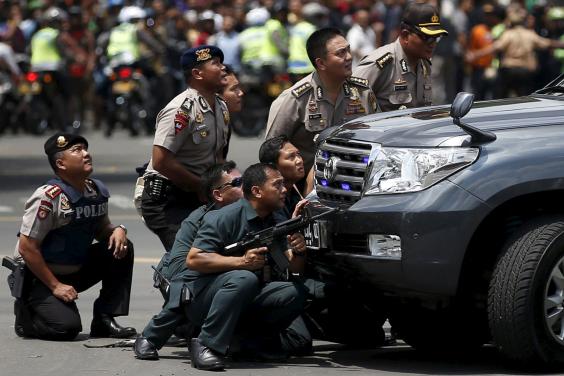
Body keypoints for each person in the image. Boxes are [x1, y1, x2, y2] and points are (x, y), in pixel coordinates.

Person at [9, 133, 136, 340]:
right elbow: (27, 247)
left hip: (76, 268)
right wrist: (56, 286)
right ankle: (27, 318)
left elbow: (102, 229)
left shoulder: (94, 191)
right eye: (77, 150)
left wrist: (118, 230)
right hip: (40, 278)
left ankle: (104, 319)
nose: (86, 154)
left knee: (122, 247)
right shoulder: (48, 197)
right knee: (67, 328)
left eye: (85, 149)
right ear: (61, 163)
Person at [186, 163, 308, 370]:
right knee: (244, 277)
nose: (284, 189)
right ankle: (206, 344)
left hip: (243, 297)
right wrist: (242, 262)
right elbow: (194, 259)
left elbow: (292, 270)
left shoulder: (272, 219)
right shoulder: (224, 217)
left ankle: (248, 344)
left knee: (294, 291)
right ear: (257, 191)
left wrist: (298, 251)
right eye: (277, 185)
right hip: (203, 299)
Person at [134, 161, 243, 360]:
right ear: (218, 194)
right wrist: (226, 264)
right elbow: (179, 267)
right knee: (191, 288)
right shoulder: (198, 219)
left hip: (214, 275)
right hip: (179, 277)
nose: (243, 186)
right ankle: (151, 336)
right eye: (237, 182)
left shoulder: (246, 213)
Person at [141, 45, 230, 252]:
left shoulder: (220, 106)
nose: (223, 68)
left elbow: (217, 155)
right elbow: (161, 161)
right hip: (168, 199)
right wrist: (200, 185)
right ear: (197, 74)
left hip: (199, 193)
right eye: (215, 64)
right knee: (187, 259)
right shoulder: (181, 109)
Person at [266, 27, 378, 174]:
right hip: (308, 186)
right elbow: (270, 154)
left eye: (348, 50)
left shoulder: (362, 91)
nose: (349, 57)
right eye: (340, 53)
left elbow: (377, 135)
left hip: (357, 178)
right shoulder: (295, 99)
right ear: (321, 64)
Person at [353, 2, 448, 112]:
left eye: (436, 38)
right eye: (427, 37)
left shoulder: (424, 64)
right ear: (405, 35)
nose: (433, 43)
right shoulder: (381, 64)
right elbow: (352, 108)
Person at [466, 4, 564, 98]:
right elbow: (548, 43)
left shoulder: (508, 34)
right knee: (525, 99)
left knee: (502, 99)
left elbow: (494, 47)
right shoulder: (530, 35)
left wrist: (476, 54)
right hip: (526, 72)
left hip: (509, 71)